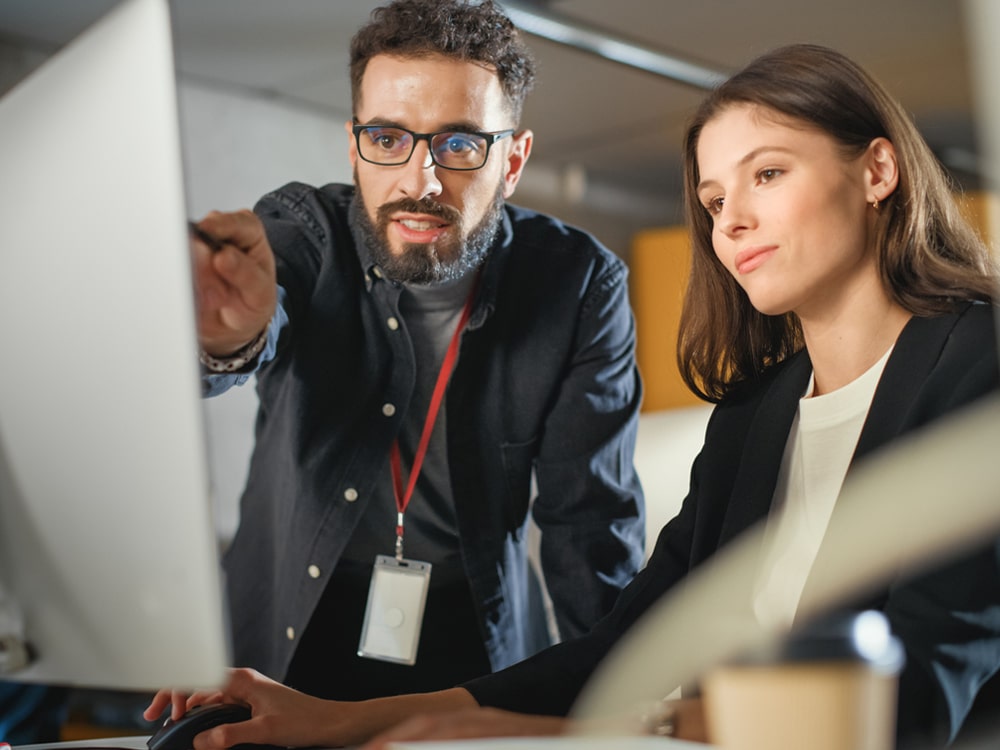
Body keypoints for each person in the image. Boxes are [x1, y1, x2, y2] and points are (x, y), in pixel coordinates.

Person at [145, 43, 1000, 749]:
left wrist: (601, 727)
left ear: (878, 169)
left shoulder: (977, 366)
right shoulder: (756, 412)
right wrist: (341, 721)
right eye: (712, 198)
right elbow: (627, 643)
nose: (730, 219)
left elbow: (920, 695)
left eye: (766, 174)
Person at [185, 0, 646, 703]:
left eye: (460, 145)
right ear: (354, 144)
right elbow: (256, 322)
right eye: (389, 138)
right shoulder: (302, 232)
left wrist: (625, 704)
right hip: (290, 622)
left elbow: (590, 523)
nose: (420, 183)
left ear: (513, 161)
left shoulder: (579, 285)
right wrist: (226, 337)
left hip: (474, 632)